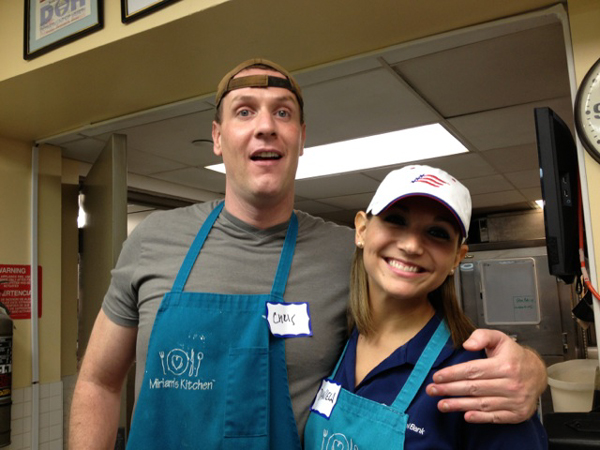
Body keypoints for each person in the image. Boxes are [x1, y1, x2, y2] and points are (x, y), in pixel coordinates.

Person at [69, 59, 547, 449]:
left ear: (301, 136)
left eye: (282, 113)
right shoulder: (153, 238)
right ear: (217, 137)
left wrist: (529, 366)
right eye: (244, 111)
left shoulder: (352, 257)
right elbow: (98, 382)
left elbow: (420, 315)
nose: (265, 127)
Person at [304, 165, 548, 449]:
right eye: (396, 220)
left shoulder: (477, 374)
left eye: (437, 232)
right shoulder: (335, 337)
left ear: (457, 258)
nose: (411, 245)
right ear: (361, 230)